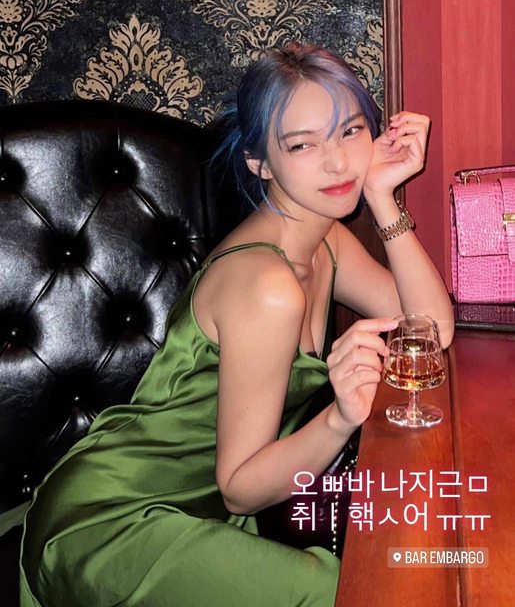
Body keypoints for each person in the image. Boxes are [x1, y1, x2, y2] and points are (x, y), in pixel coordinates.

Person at [20, 42, 454, 607]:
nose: (338, 162)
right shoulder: (267, 286)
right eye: (302, 144)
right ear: (260, 161)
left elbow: (432, 328)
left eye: (350, 131)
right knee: (348, 589)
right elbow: (242, 491)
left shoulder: (326, 240)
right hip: (112, 518)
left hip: (186, 507)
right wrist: (340, 417)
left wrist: (383, 196)